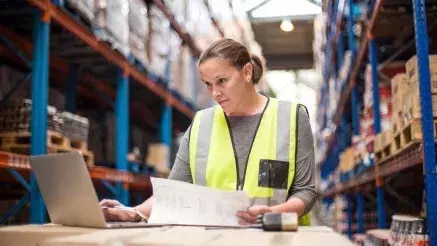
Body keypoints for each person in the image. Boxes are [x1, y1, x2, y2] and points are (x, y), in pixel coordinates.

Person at [100, 38, 316, 226]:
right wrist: (133, 212)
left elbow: (305, 191)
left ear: (247, 72)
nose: (215, 93)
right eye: (208, 85)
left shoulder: (292, 117)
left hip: (276, 239)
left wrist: (274, 214)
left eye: (222, 81)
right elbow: (174, 193)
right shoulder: (202, 123)